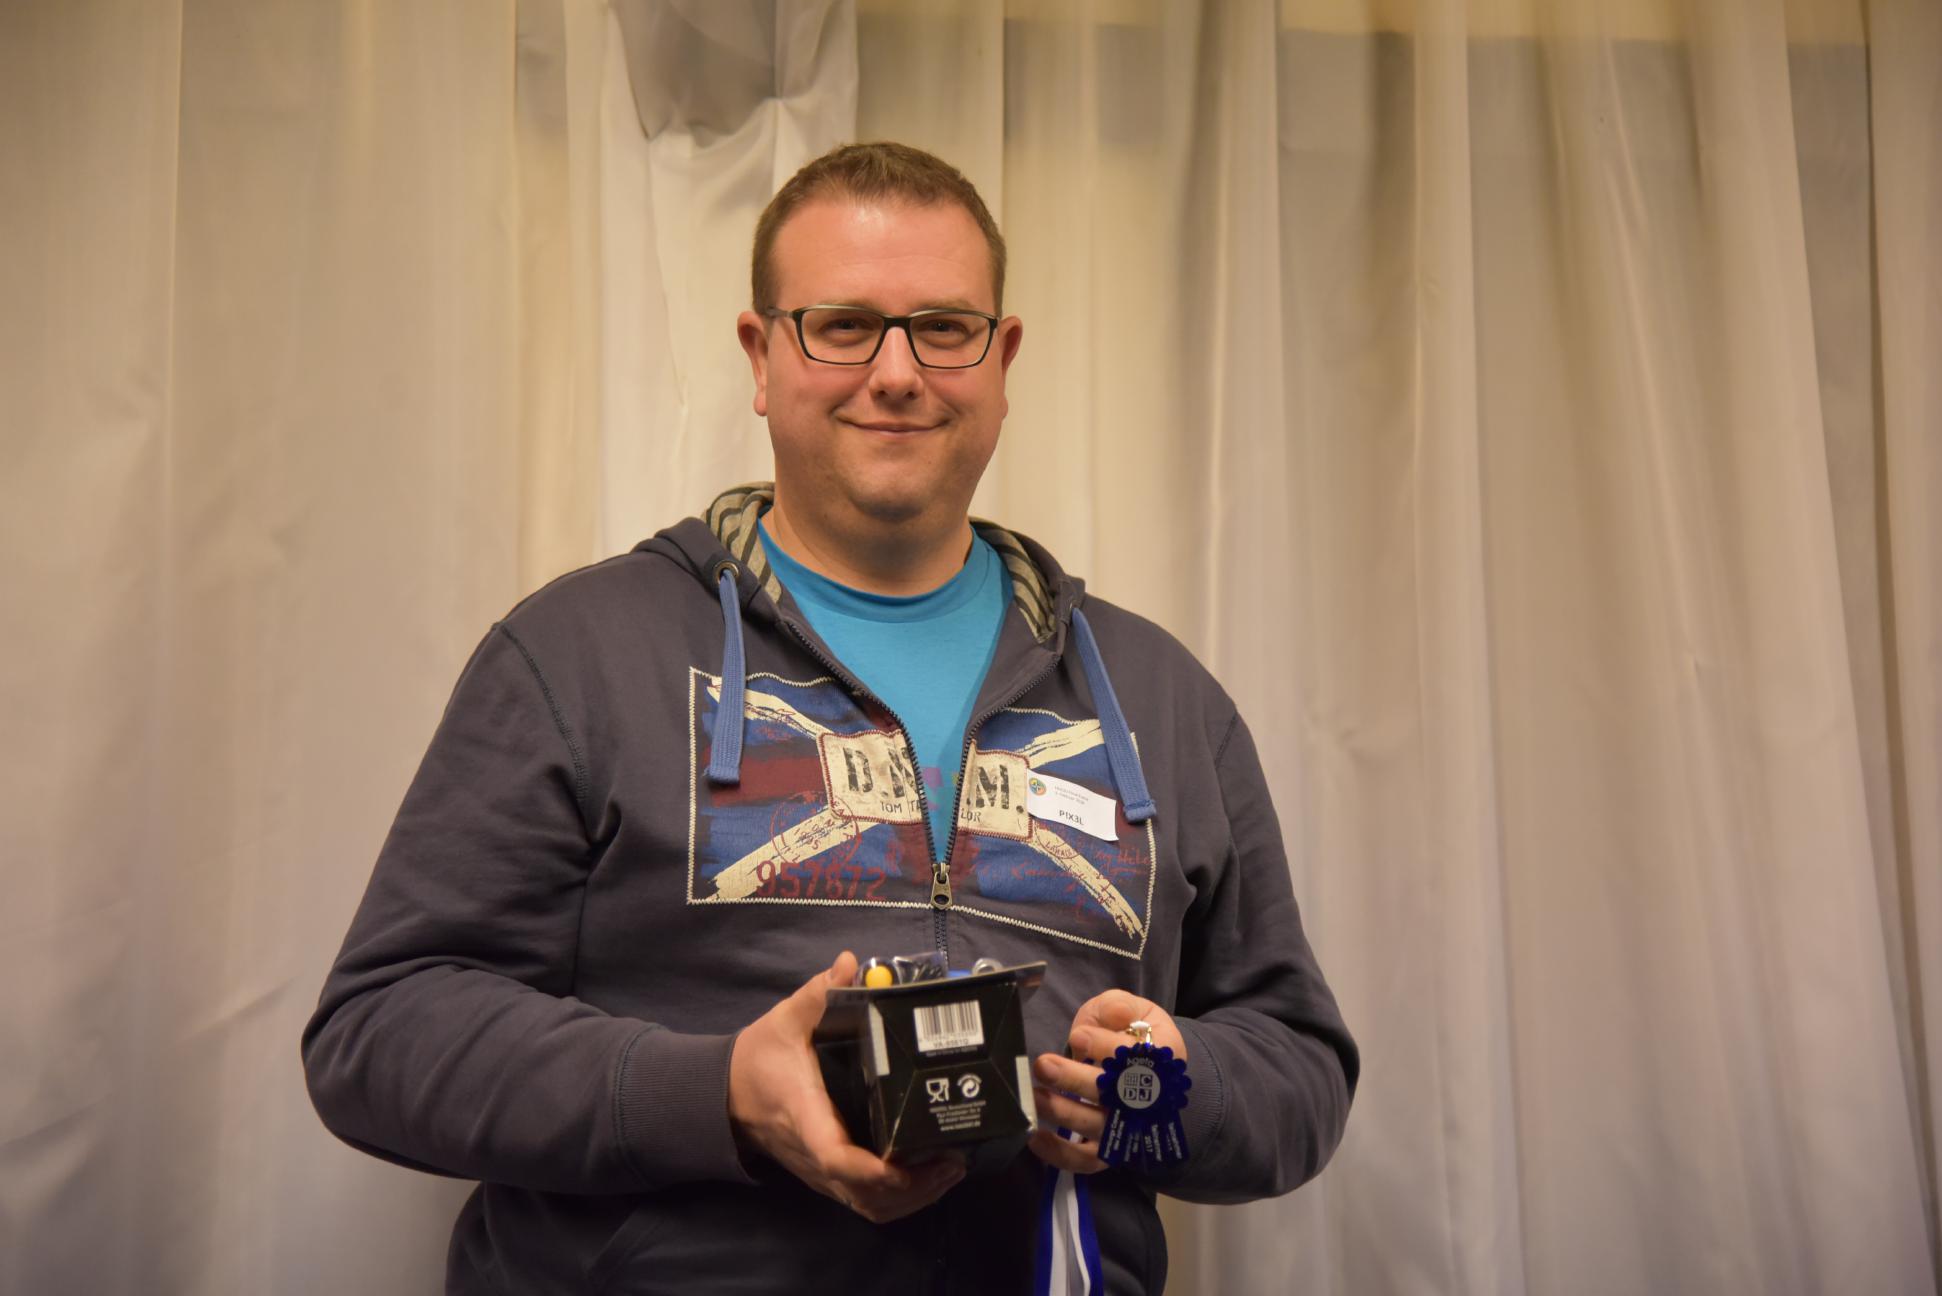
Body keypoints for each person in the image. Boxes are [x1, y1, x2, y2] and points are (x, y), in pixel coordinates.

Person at [303, 141, 1357, 1295]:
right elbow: (381, 1031)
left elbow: (1297, 1064)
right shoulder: (580, 656)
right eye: (842, 326)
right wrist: (720, 1096)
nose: (896, 373)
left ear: (1002, 359)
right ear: (761, 356)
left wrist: (1169, 1093)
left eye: (943, 328)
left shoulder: (1163, 699)